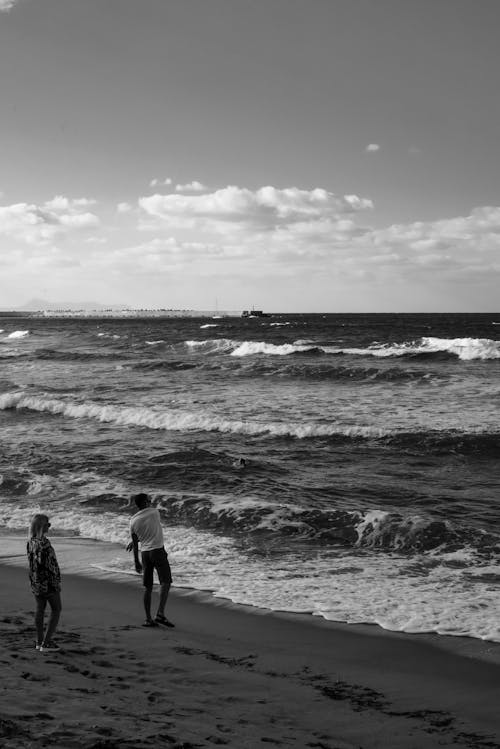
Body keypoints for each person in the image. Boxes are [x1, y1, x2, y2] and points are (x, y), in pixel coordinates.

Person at [127, 493, 174, 628]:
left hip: (145, 554)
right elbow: (152, 528)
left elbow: (136, 543)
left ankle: (148, 619)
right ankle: (160, 613)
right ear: (146, 502)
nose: (151, 502)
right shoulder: (154, 512)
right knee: (166, 582)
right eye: (149, 500)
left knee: (147, 587)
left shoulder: (133, 521)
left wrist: (136, 561)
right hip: (157, 551)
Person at [27, 514, 62, 652]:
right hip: (48, 582)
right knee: (56, 609)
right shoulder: (44, 544)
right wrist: (56, 582)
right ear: (42, 526)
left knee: (40, 608)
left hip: (35, 580)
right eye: (48, 524)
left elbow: (33, 563)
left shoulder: (30, 541)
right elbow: (49, 566)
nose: (50, 526)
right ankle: (46, 644)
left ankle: (39, 641)